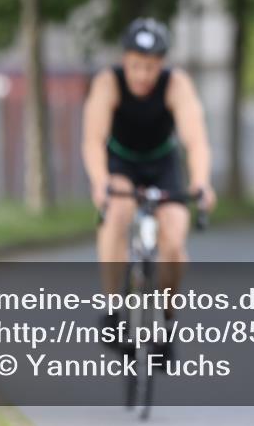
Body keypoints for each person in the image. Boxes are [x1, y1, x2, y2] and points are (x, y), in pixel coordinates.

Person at [82, 17, 216, 346]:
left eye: (151, 67)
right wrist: (99, 182)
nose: (143, 75)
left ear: (162, 64)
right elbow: (93, 140)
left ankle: (166, 319)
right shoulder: (108, 82)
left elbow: (196, 141)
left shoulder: (176, 84)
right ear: (124, 59)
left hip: (162, 163)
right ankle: (113, 309)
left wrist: (201, 182)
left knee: (174, 239)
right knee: (117, 212)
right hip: (121, 162)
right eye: (136, 66)